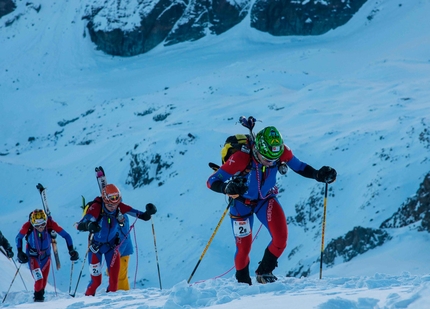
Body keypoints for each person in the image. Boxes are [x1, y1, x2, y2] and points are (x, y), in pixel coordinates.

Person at [207, 126, 337, 285]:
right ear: (256, 151)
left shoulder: (282, 152)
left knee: (281, 238)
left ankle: (264, 272)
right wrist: (226, 188)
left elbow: (299, 166)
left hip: (266, 199)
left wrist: (318, 174)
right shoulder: (240, 158)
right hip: (241, 203)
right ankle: (243, 283)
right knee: (244, 249)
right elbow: (212, 181)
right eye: (266, 159)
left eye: (274, 160)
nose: (270, 163)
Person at [77, 183, 157, 296]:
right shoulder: (96, 208)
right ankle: (85, 302)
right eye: (110, 204)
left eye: (115, 203)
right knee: (96, 282)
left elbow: (141, 216)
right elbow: (79, 224)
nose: (113, 207)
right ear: (105, 200)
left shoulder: (119, 206)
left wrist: (149, 213)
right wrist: (89, 225)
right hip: (96, 248)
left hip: (112, 248)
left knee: (114, 283)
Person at [16, 209, 79, 302]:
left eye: (43, 224)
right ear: (33, 223)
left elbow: (66, 235)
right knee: (39, 279)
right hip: (33, 256)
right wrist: (20, 252)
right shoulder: (27, 226)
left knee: (43, 282)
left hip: (46, 256)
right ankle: (38, 300)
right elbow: (18, 237)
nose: (41, 227)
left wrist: (71, 250)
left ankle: (40, 301)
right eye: (37, 225)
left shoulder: (50, 224)